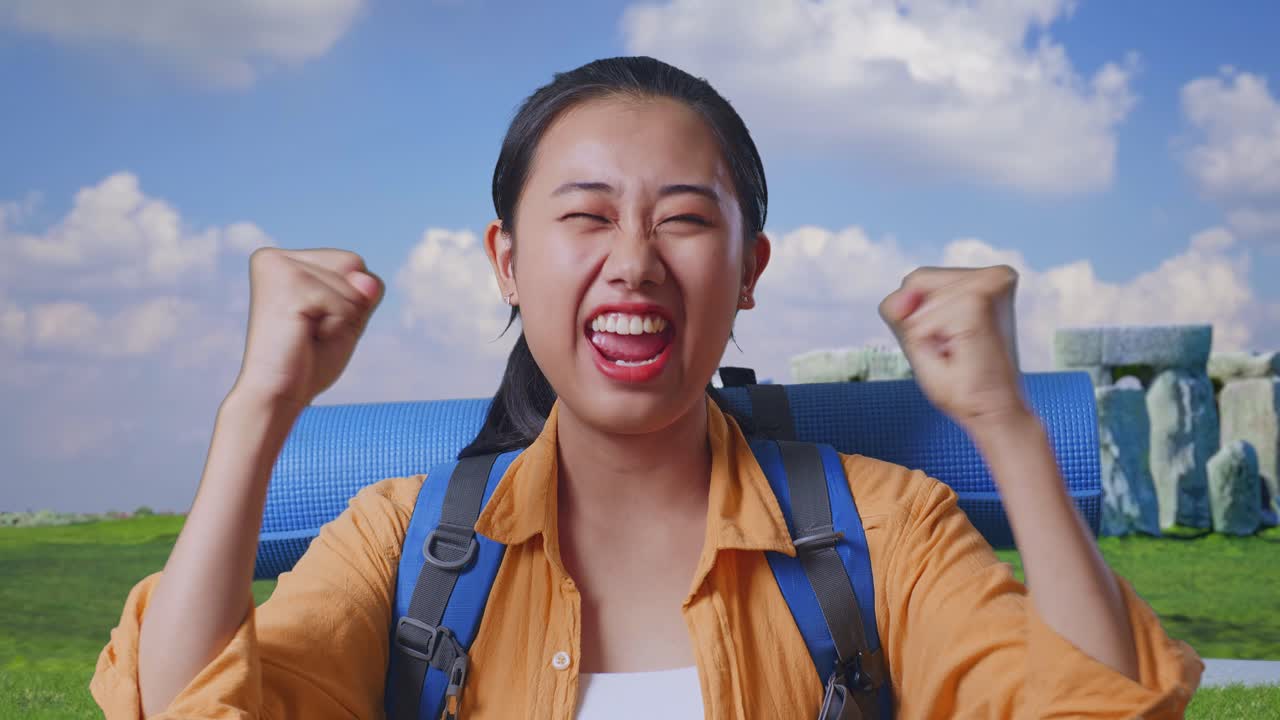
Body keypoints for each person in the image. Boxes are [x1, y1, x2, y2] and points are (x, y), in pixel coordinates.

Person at [90, 56, 1203, 719]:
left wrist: (1003, 425)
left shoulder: (883, 530)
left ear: (749, 272)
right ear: (506, 266)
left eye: (681, 217)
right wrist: (257, 415)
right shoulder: (398, 545)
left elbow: (1090, 706)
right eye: (582, 216)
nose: (631, 261)